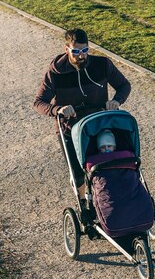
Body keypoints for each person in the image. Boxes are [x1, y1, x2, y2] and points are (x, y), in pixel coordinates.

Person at [33, 28, 131, 199]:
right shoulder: (55, 74)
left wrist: (117, 100)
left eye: (85, 50)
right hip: (70, 128)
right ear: (67, 49)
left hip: (98, 123)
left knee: (109, 163)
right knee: (79, 174)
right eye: (76, 51)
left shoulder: (102, 65)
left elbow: (124, 86)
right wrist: (58, 110)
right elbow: (38, 103)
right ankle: (83, 203)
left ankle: (111, 201)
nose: (81, 56)